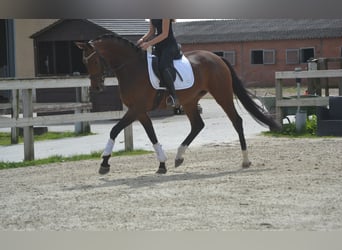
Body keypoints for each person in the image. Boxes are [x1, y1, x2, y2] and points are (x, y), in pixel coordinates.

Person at [137, 19, 181, 108]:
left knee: (163, 67)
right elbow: (151, 32)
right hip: (158, 46)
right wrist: (142, 39)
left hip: (169, 45)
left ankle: (174, 96)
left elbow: (164, 34)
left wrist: (148, 43)